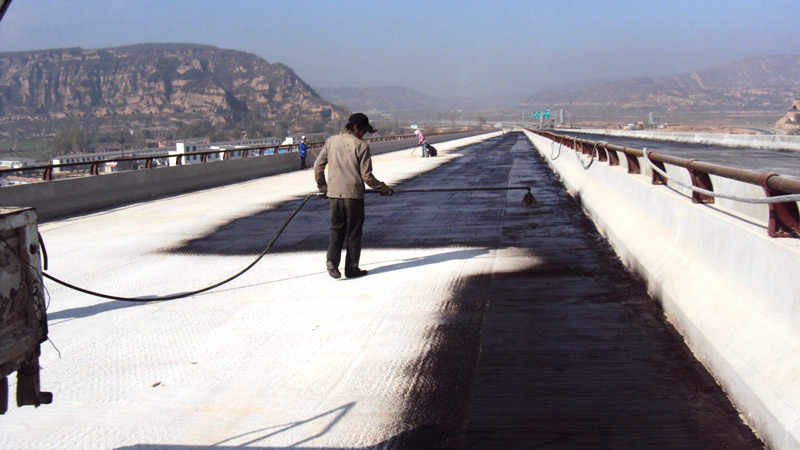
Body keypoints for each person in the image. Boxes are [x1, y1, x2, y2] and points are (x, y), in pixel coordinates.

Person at [314, 113, 393, 279]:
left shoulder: (331, 142)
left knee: (336, 230)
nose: (365, 133)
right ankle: (351, 268)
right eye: (364, 130)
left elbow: (318, 166)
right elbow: (367, 177)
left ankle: (331, 262)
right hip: (353, 196)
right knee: (353, 233)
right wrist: (382, 188)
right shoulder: (361, 146)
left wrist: (323, 187)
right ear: (355, 128)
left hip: (335, 195)